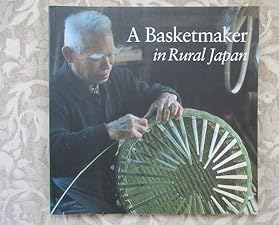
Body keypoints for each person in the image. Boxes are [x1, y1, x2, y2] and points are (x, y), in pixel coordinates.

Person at [50, 10, 183, 214]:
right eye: (95, 57)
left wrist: (167, 96)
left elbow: (151, 92)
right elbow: (53, 154)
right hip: (74, 198)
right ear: (69, 54)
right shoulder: (51, 94)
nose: (107, 65)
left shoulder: (118, 78)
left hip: (121, 190)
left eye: (111, 53)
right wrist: (109, 131)